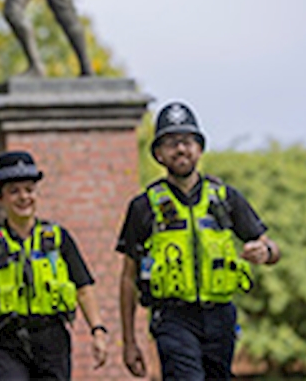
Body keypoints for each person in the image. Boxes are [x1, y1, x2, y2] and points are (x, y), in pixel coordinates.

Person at [116, 102, 280, 380]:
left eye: (188, 141)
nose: (181, 149)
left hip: (220, 317)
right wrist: (129, 342)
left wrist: (265, 251)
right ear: (158, 154)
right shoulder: (143, 207)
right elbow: (128, 278)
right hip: (172, 317)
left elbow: (272, 249)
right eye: (171, 143)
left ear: (200, 149)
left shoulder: (226, 198)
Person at [0, 150, 108, 381]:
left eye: (29, 190)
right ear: (1, 198)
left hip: (51, 340)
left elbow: (84, 289)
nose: (23, 197)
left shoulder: (58, 238)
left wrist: (97, 331)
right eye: (14, 191)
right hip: (2, 341)